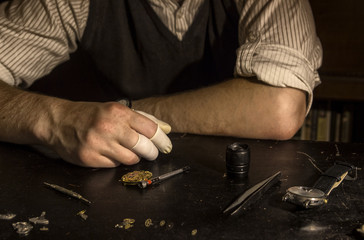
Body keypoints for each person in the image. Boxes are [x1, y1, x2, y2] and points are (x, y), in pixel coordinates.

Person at [0, 0, 322, 168]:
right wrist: (56, 121)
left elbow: (279, 106)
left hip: (237, 184)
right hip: (115, 182)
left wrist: (125, 114)